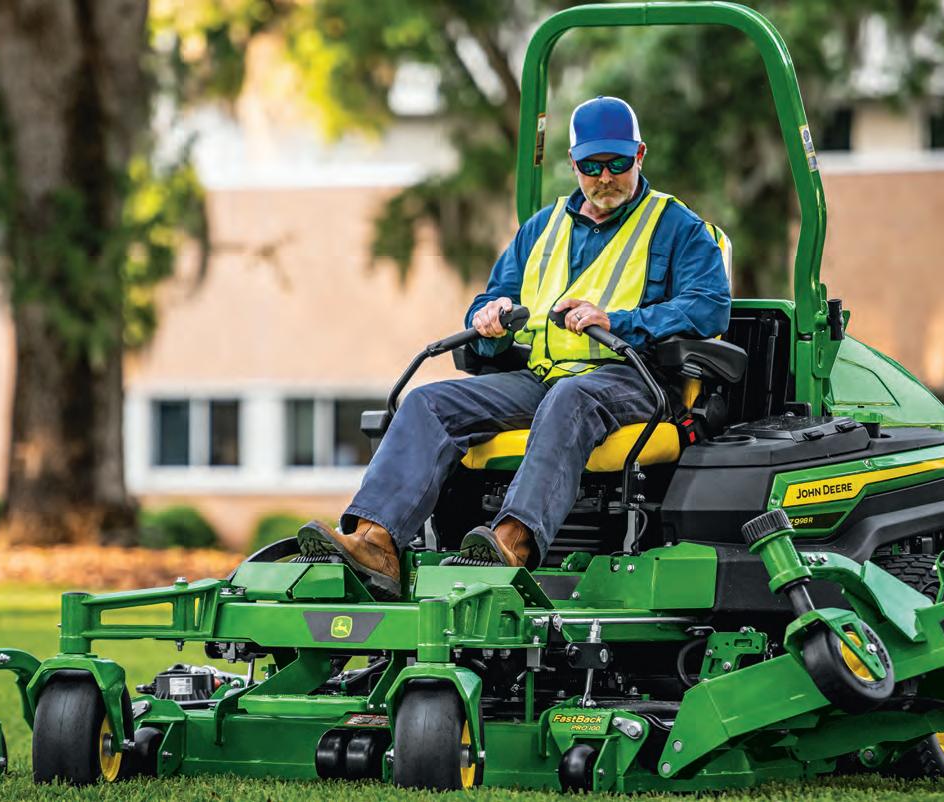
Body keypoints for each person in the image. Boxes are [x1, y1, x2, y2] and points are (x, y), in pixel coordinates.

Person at [298, 96, 731, 598]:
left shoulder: (677, 227)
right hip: (545, 377)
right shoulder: (541, 230)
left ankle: (511, 543)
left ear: (640, 155)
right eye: (591, 165)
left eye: (617, 163)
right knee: (427, 402)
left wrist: (619, 321)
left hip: (635, 379)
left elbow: (709, 307)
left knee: (570, 398)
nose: (605, 177)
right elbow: (491, 299)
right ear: (573, 163)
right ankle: (375, 541)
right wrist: (488, 319)